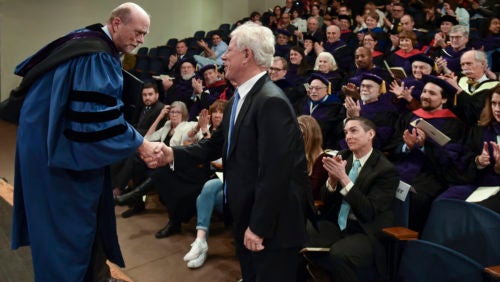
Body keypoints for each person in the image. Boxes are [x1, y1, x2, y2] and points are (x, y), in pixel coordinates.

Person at [146, 22, 316, 282]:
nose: (223, 56)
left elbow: (275, 173)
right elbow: (215, 144)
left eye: (230, 51)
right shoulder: (240, 97)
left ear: (247, 55)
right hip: (247, 213)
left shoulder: (271, 101)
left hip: (272, 226)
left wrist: (259, 227)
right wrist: (173, 154)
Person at [10, 3, 160, 281]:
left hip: (42, 141)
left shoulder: (83, 41)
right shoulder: (96, 57)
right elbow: (97, 121)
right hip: (58, 154)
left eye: (144, 35)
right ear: (116, 23)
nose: (141, 41)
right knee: (67, 229)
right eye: (138, 32)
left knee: (70, 223)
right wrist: (142, 144)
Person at [304, 117, 399, 282]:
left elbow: (368, 212)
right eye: (346, 132)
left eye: (354, 130)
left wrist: (344, 179)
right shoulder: (343, 156)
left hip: (366, 230)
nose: (348, 136)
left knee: (339, 254)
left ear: (370, 134)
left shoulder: (385, 170)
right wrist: (332, 182)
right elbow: (327, 203)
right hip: (338, 223)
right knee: (297, 233)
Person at [438, 85, 500, 201]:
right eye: (494, 103)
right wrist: (478, 161)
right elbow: (465, 156)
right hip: (479, 184)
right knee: (444, 202)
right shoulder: (479, 130)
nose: (496, 109)